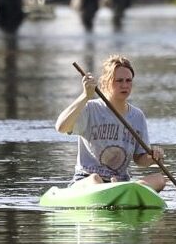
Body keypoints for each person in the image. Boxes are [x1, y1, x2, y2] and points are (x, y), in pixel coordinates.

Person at [56, 54, 166, 192]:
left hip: (120, 181)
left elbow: (139, 159)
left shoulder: (137, 116)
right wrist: (85, 95)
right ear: (105, 82)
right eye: (119, 80)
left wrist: (152, 157)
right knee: (95, 179)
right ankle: (114, 190)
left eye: (128, 80)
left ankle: (120, 190)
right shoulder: (90, 108)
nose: (125, 85)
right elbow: (61, 127)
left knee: (159, 179)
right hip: (86, 179)